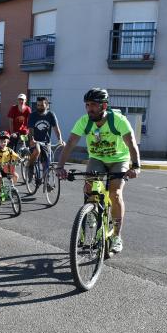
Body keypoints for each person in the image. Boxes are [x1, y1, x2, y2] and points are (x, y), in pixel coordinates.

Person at [56, 88, 140, 254]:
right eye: (87, 105)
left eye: (93, 105)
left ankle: (116, 236)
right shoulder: (84, 121)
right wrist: (60, 166)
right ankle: (91, 213)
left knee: (115, 194)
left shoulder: (118, 120)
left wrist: (136, 166)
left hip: (119, 160)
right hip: (97, 159)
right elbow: (71, 143)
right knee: (89, 188)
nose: (89, 109)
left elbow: (131, 143)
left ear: (104, 106)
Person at [27, 96, 65, 181]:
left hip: (46, 142)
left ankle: (46, 182)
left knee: (46, 164)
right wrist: (32, 139)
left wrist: (60, 140)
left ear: (47, 105)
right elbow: (31, 130)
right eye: (38, 105)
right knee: (37, 150)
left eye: (42, 105)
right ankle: (30, 166)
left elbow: (56, 129)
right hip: (34, 140)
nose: (39, 107)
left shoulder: (51, 115)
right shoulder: (33, 115)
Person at [0, 131, 20, 199]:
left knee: (16, 176)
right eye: (1, 142)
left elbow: (16, 157)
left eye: (5, 142)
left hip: (6, 167)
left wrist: (20, 159)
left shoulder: (10, 150)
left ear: (7, 142)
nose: (3, 143)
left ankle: (10, 188)